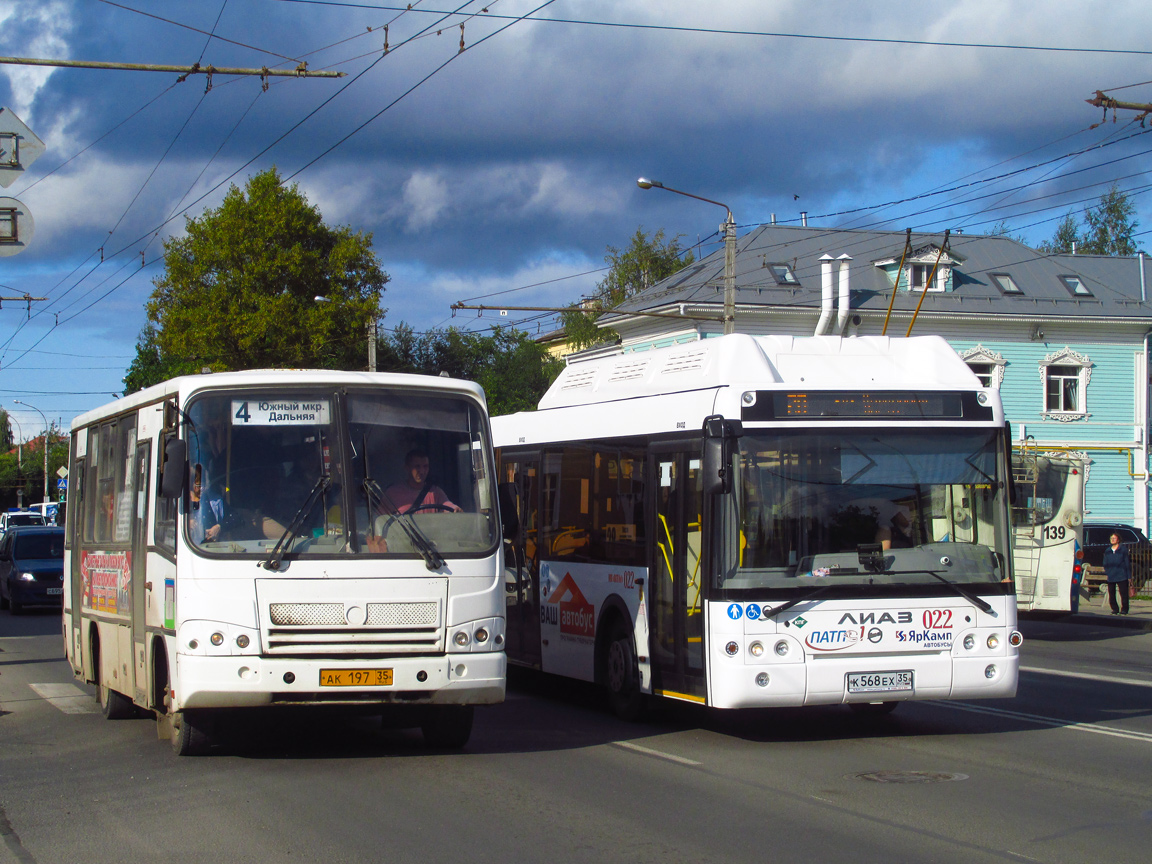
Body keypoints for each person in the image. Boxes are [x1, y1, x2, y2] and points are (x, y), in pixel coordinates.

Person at [381, 449, 461, 514]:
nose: (422, 471)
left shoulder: (435, 492)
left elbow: (448, 505)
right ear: (407, 468)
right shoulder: (392, 493)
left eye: (425, 466)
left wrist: (456, 509)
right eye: (417, 467)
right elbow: (379, 520)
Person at [1102, 532, 1131, 615]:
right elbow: (1105, 562)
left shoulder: (1123, 550)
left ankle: (1124, 609)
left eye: (1114, 538)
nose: (1112, 540)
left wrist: (1128, 576)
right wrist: (1107, 571)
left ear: (1118, 540)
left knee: (1123, 593)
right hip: (1111, 575)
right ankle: (1115, 609)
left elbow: (1127, 563)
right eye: (1111, 538)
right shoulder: (1108, 550)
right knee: (1111, 593)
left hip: (1122, 575)